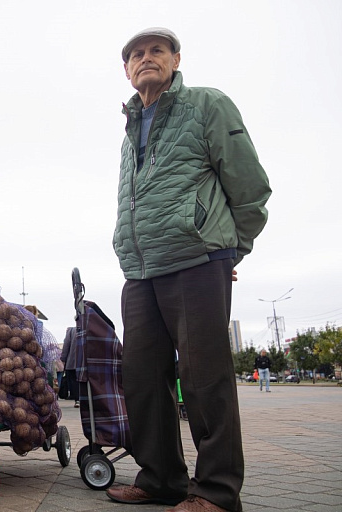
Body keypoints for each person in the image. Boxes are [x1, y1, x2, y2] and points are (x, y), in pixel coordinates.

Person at [106, 28, 271, 512]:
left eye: (157, 50)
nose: (146, 58)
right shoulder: (130, 124)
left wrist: (228, 249)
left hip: (197, 261)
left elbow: (250, 187)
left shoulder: (207, 105)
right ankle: (161, 479)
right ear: (126, 70)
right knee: (140, 378)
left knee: (202, 378)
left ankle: (217, 491)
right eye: (136, 54)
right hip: (140, 269)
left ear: (176, 59)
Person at [59, 326, 78, 407]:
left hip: (72, 362)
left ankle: (77, 400)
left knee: (74, 382)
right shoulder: (91, 328)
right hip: (86, 363)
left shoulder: (71, 331)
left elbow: (66, 345)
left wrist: (63, 359)